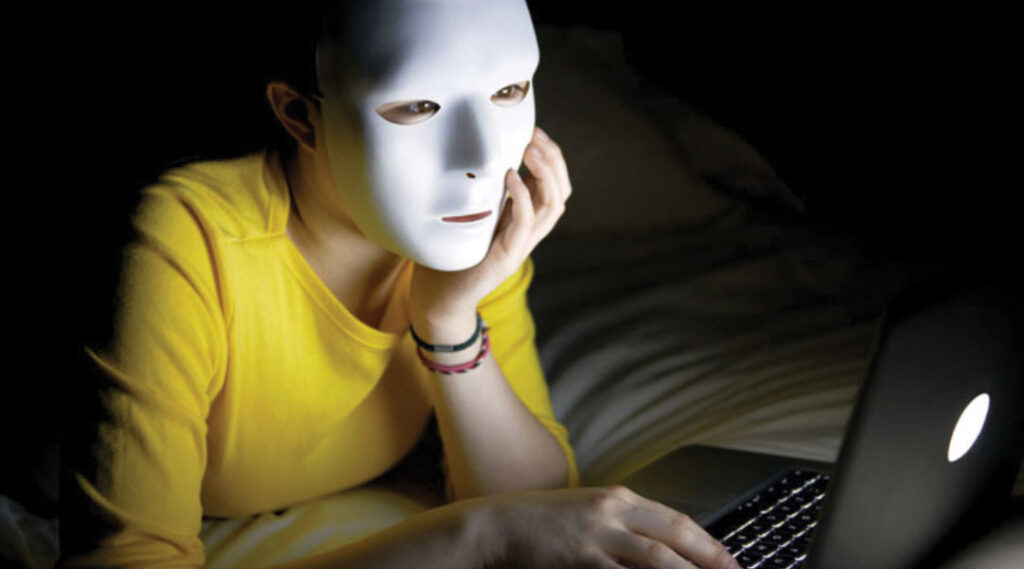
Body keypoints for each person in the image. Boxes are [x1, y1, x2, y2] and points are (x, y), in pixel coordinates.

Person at [57, 1, 741, 568]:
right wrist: (476, 538)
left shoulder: (474, 230)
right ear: (300, 117)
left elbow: (539, 503)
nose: (481, 157)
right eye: (418, 106)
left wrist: (449, 323)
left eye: (509, 91)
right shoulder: (189, 239)